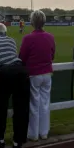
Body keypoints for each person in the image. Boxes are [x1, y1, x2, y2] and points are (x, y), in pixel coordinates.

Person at [0, 23, 30, 148]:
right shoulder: (11, 40)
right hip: (20, 71)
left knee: (1, 107)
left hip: (3, 73)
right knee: (20, 108)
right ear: (5, 31)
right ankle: (18, 141)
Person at [19, 10, 55, 141]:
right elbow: (52, 55)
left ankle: (33, 134)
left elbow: (22, 58)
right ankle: (44, 132)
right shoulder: (50, 37)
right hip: (47, 73)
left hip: (34, 74)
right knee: (45, 103)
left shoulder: (28, 38)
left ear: (32, 22)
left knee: (34, 104)